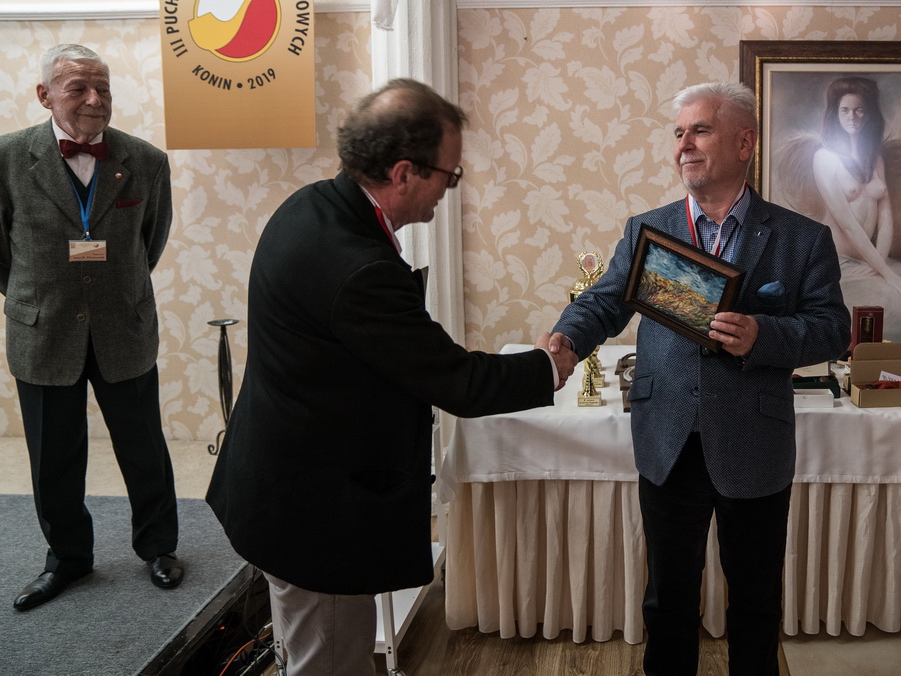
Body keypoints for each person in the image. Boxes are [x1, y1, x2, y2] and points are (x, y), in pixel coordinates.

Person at [206, 78, 578, 676]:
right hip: (316, 513)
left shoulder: (311, 204)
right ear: (405, 173)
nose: (450, 191)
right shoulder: (359, 268)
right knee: (330, 663)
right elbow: (454, 380)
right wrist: (548, 368)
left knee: (314, 652)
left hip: (283, 484)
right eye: (450, 176)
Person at [548, 81, 850, 675]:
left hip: (754, 443)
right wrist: (566, 340)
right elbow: (605, 301)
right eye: (679, 133)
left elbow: (833, 329)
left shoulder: (802, 238)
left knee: (756, 604)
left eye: (700, 130)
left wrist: (765, 336)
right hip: (667, 439)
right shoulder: (648, 229)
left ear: (745, 143)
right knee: (668, 601)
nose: (684, 144)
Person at [0, 44, 181, 612]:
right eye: (77, 88)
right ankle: (68, 558)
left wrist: (111, 289)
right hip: (43, 329)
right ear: (44, 95)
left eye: (102, 87)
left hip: (122, 325)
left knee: (143, 447)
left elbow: (150, 241)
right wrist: (34, 295)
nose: (94, 99)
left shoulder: (145, 160)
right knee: (53, 456)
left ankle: (159, 547)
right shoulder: (7, 158)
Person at [776, 76, 901, 343]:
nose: (852, 117)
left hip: (872, 257)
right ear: (835, 114)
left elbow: (886, 217)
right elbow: (847, 224)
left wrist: (880, 262)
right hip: (838, 262)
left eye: (859, 110)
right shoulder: (824, 159)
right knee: (898, 302)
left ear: (868, 113)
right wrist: (887, 273)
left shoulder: (874, 158)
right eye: (845, 110)